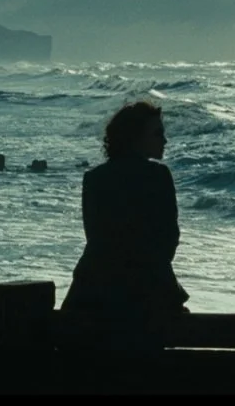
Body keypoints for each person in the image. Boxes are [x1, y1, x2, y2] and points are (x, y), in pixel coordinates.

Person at [61, 99, 189, 350]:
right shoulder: (158, 176)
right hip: (147, 299)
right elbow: (167, 241)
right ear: (136, 138)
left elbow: (96, 240)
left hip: (92, 293)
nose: (165, 140)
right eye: (157, 133)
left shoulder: (95, 178)